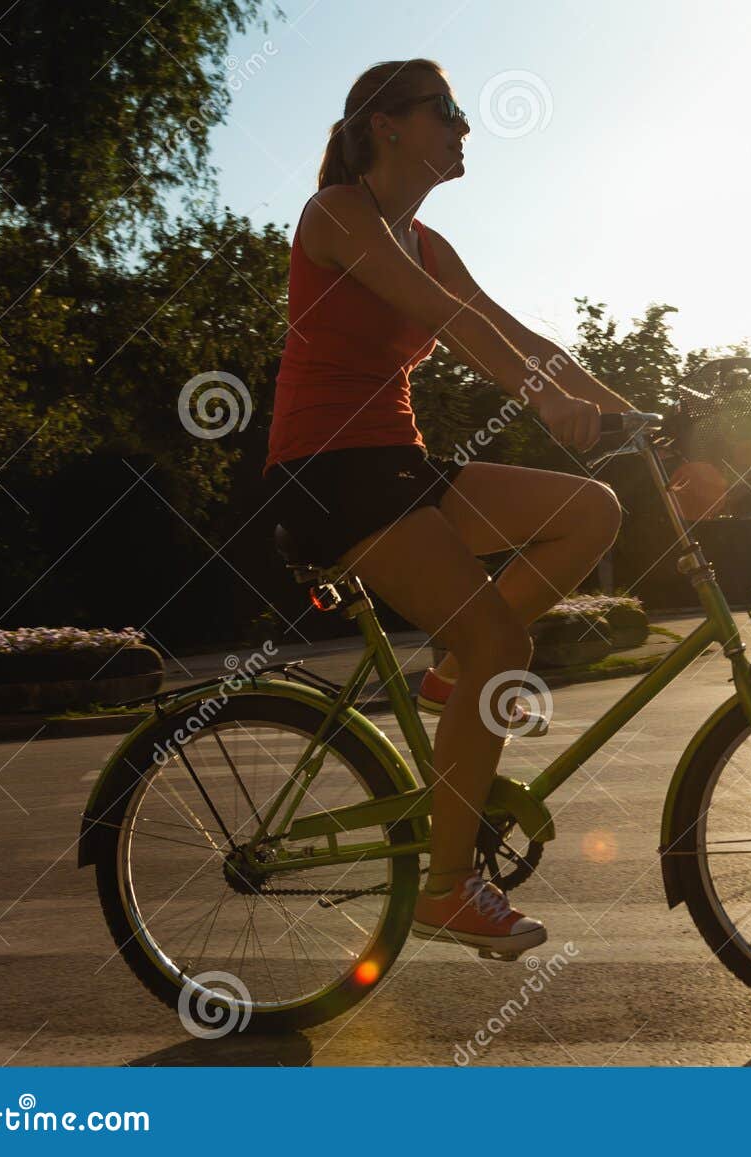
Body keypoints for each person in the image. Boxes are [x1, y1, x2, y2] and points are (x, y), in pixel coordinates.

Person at [262, 59, 632, 957]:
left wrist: (622, 408)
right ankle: (445, 886)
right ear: (386, 125)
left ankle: (449, 678)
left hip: (400, 464)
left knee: (594, 510)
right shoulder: (338, 214)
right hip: (328, 471)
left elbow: (511, 329)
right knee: (504, 642)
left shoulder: (427, 238)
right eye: (447, 110)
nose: (465, 126)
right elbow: (450, 323)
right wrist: (540, 401)